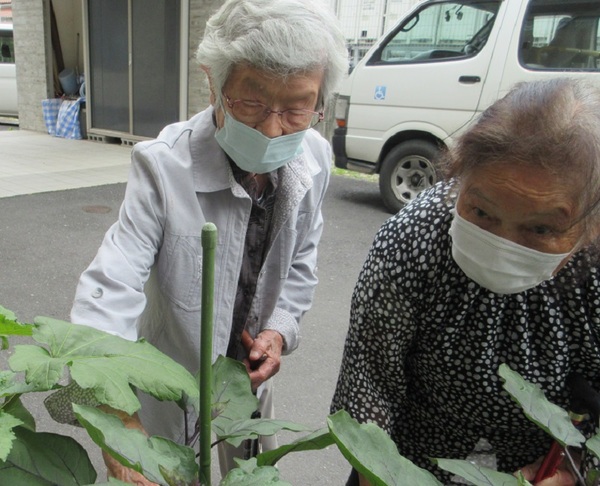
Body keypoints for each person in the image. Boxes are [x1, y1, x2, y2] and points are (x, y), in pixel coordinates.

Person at [70, 0, 348, 483]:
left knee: (253, 472)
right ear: (213, 84)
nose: (271, 127)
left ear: (320, 101)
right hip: (169, 376)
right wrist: (117, 419)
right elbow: (109, 288)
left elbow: (302, 258)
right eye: (252, 102)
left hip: (247, 376)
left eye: (297, 107)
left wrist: (278, 331)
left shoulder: (315, 159)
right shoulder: (163, 166)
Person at [331, 78, 600, 486]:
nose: (501, 243)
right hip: (408, 466)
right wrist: (378, 474)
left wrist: (573, 472)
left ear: (589, 225)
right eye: (481, 211)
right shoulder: (412, 240)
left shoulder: (593, 271)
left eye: (541, 229)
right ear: (459, 178)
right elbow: (369, 383)